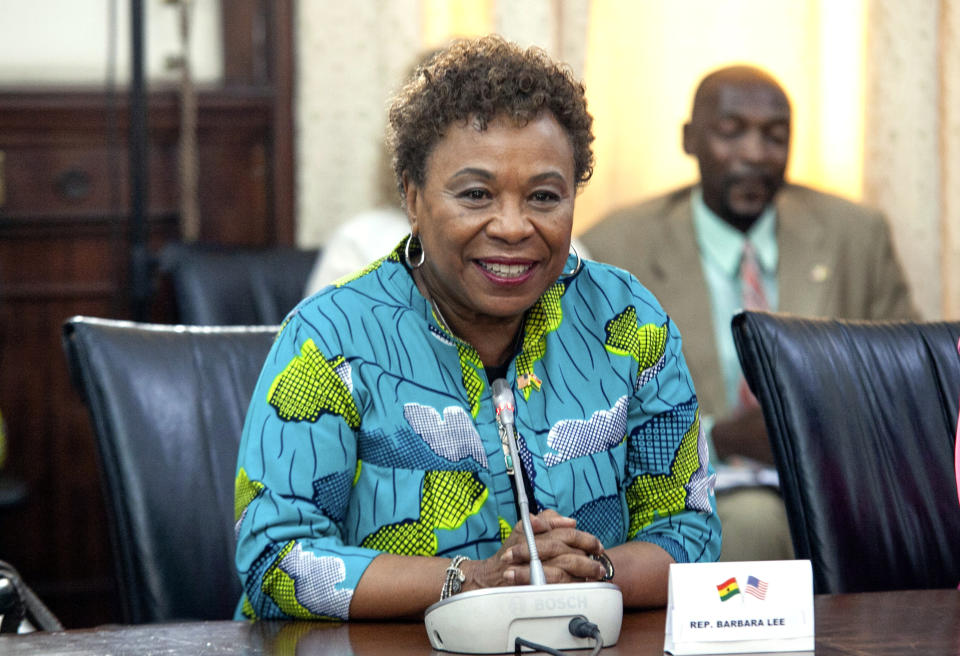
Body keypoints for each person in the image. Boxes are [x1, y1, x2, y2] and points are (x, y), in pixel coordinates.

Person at [234, 35, 720, 621]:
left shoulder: (628, 321)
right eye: (476, 194)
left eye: (544, 196)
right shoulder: (330, 337)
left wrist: (588, 572)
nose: (514, 227)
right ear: (412, 198)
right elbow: (276, 560)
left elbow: (689, 533)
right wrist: (477, 580)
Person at [580, 65, 918, 562]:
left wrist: (818, 431)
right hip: (697, 487)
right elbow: (592, 412)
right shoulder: (616, 247)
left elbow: (906, 379)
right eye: (731, 132)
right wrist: (715, 436)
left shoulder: (854, 235)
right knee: (755, 525)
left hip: (837, 476)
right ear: (689, 139)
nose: (755, 154)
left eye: (775, 136)